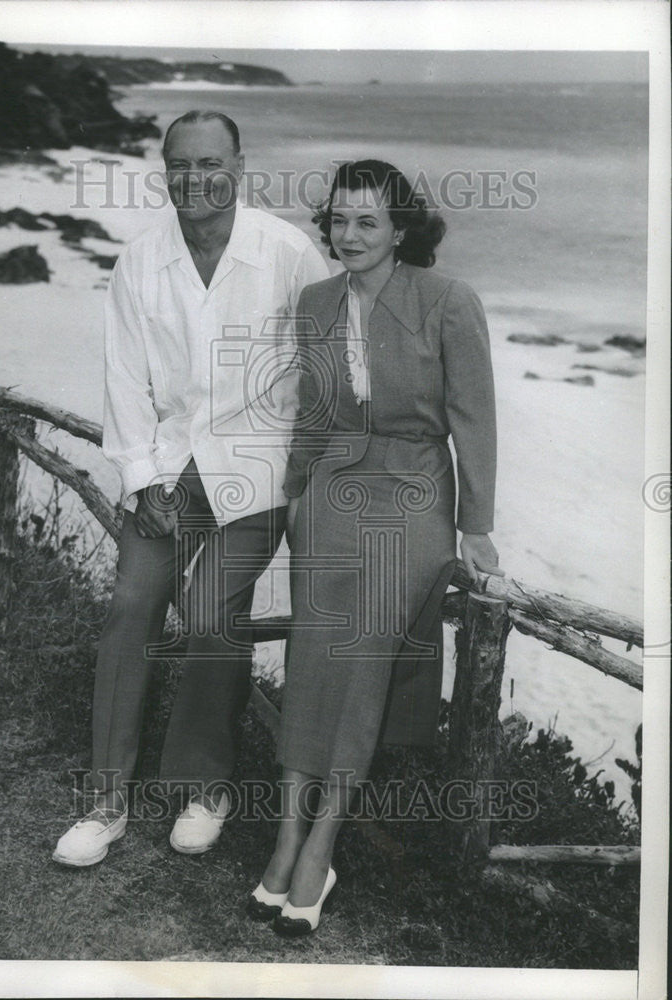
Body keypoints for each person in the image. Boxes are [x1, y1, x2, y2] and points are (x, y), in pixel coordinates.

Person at [53, 110, 328, 866]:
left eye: (212, 163)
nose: (195, 179)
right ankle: (107, 802)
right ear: (164, 169)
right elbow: (125, 378)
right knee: (128, 611)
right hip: (167, 470)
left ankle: (205, 788)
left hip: (256, 471)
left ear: (239, 168)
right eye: (180, 165)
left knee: (211, 617)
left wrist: (316, 464)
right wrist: (142, 478)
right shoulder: (140, 262)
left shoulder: (287, 253)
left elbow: (332, 355)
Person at [248, 160, 503, 935]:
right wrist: (292, 495)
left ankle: (322, 841)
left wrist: (477, 526)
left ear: (401, 229)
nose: (349, 235)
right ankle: (289, 831)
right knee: (314, 652)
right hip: (328, 494)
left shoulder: (449, 300)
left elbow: (474, 421)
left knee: (360, 659)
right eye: (339, 220)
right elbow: (314, 420)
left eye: (368, 222)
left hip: (415, 496)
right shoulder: (314, 303)